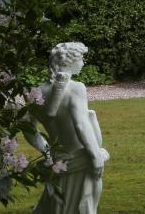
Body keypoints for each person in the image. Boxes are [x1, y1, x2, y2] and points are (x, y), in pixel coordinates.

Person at [27, 42, 109, 214]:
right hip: (81, 158)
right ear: (68, 62)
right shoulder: (76, 88)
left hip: (59, 160)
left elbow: (28, 128)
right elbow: (81, 124)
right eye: (80, 59)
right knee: (83, 204)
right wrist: (95, 155)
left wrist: (48, 152)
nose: (83, 63)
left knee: (58, 204)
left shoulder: (37, 92)